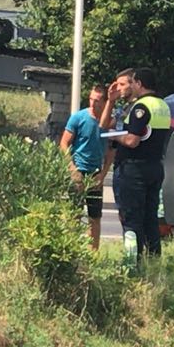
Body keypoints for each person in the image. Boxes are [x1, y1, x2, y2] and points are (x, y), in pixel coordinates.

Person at [100, 67, 171, 272]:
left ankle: (130, 267)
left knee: (130, 219)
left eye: (126, 84)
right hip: (155, 167)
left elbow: (131, 140)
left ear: (137, 83)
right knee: (150, 219)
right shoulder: (163, 105)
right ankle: (154, 265)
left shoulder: (140, 107)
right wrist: (111, 101)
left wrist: (113, 136)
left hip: (133, 170)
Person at [59, 84, 112, 250]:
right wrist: (72, 169)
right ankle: (71, 249)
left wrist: (103, 174)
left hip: (95, 173)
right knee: (74, 214)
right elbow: (64, 142)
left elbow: (111, 150)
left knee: (94, 217)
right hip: (78, 169)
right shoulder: (78, 117)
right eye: (91, 99)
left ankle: (93, 253)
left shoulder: (109, 122)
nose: (93, 103)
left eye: (97, 100)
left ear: (104, 102)